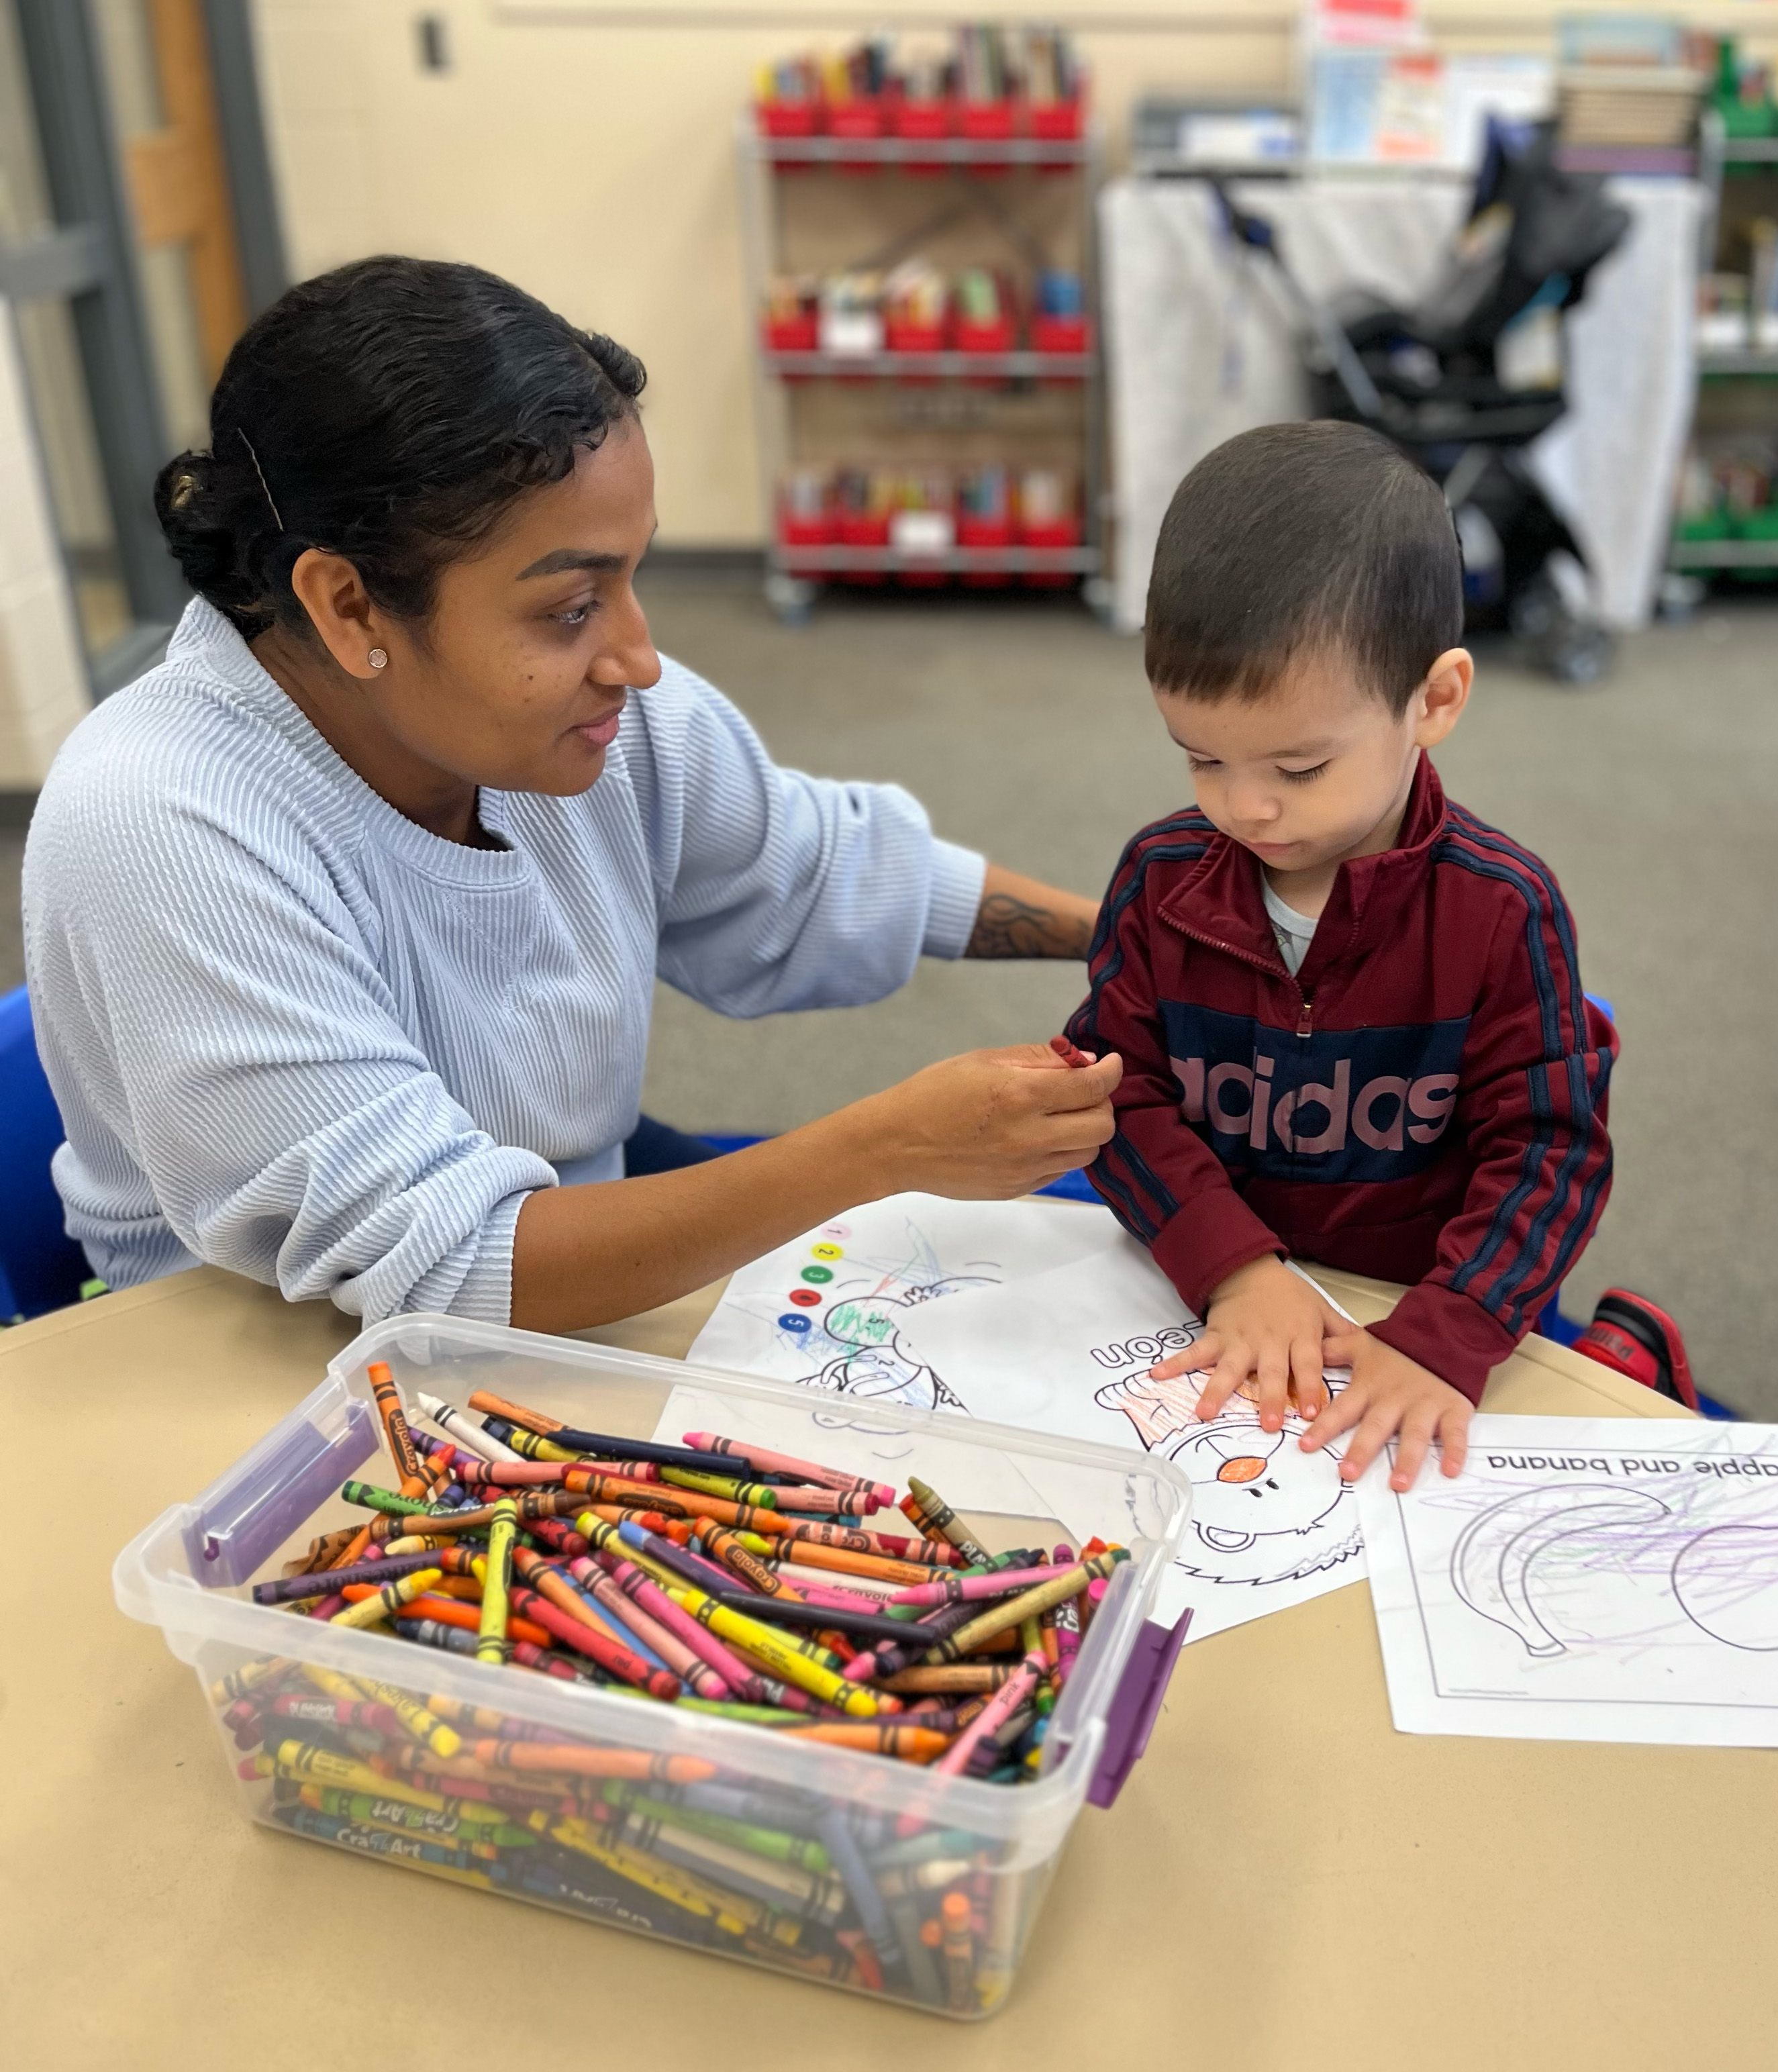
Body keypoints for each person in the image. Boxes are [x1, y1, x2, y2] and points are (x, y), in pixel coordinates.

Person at [22, 256, 1121, 1334]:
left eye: (633, 574)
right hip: (267, 1364)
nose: (638, 660)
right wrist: (882, 1149)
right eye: (568, 607)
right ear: (349, 605)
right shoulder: (161, 824)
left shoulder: (582, 715)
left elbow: (816, 869)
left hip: (540, 1244)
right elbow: (448, 1267)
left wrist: (1130, 925)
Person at [1065, 420, 1692, 1495]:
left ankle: (1631, 1358)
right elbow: (1118, 1099)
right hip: (1224, 1297)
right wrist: (1235, 1264)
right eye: (1200, 757)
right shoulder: (1163, 879)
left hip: (1425, 1315)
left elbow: (1548, 1151)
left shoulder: (1504, 907)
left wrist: (1443, 1331)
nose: (1244, 806)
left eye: (1299, 767)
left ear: (1434, 700)